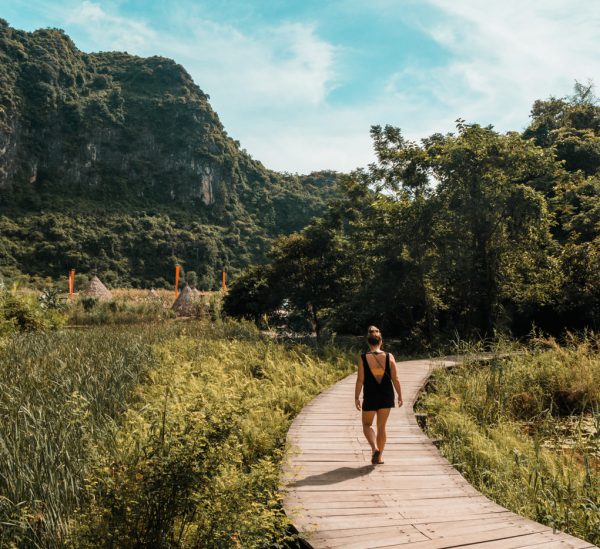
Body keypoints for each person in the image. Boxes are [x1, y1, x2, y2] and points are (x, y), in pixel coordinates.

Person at [354, 326, 403, 464]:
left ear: (368, 342)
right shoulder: (389, 356)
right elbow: (396, 379)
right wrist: (400, 395)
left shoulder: (363, 358)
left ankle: (374, 448)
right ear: (380, 341)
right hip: (386, 395)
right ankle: (379, 457)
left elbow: (360, 380)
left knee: (367, 425)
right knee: (381, 427)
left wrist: (356, 397)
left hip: (370, 395)